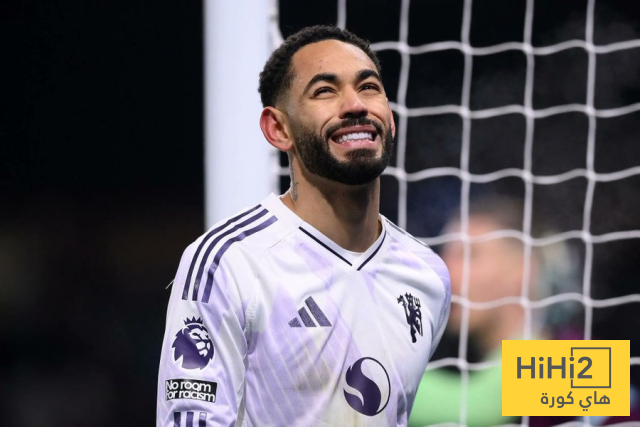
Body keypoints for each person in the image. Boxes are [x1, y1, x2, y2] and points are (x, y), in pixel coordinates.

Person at [157, 25, 451, 426]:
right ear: (279, 129)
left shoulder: (427, 275)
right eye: (324, 91)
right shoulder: (228, 263)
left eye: (368, 87)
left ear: (391, 117)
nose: (355, 104)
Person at [409, 196, 543, 426]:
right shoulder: (451, 358)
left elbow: (483, 402)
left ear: (523, 270)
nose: (446, 271)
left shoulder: (578, 354)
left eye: (470, 255)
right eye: (445, 255)